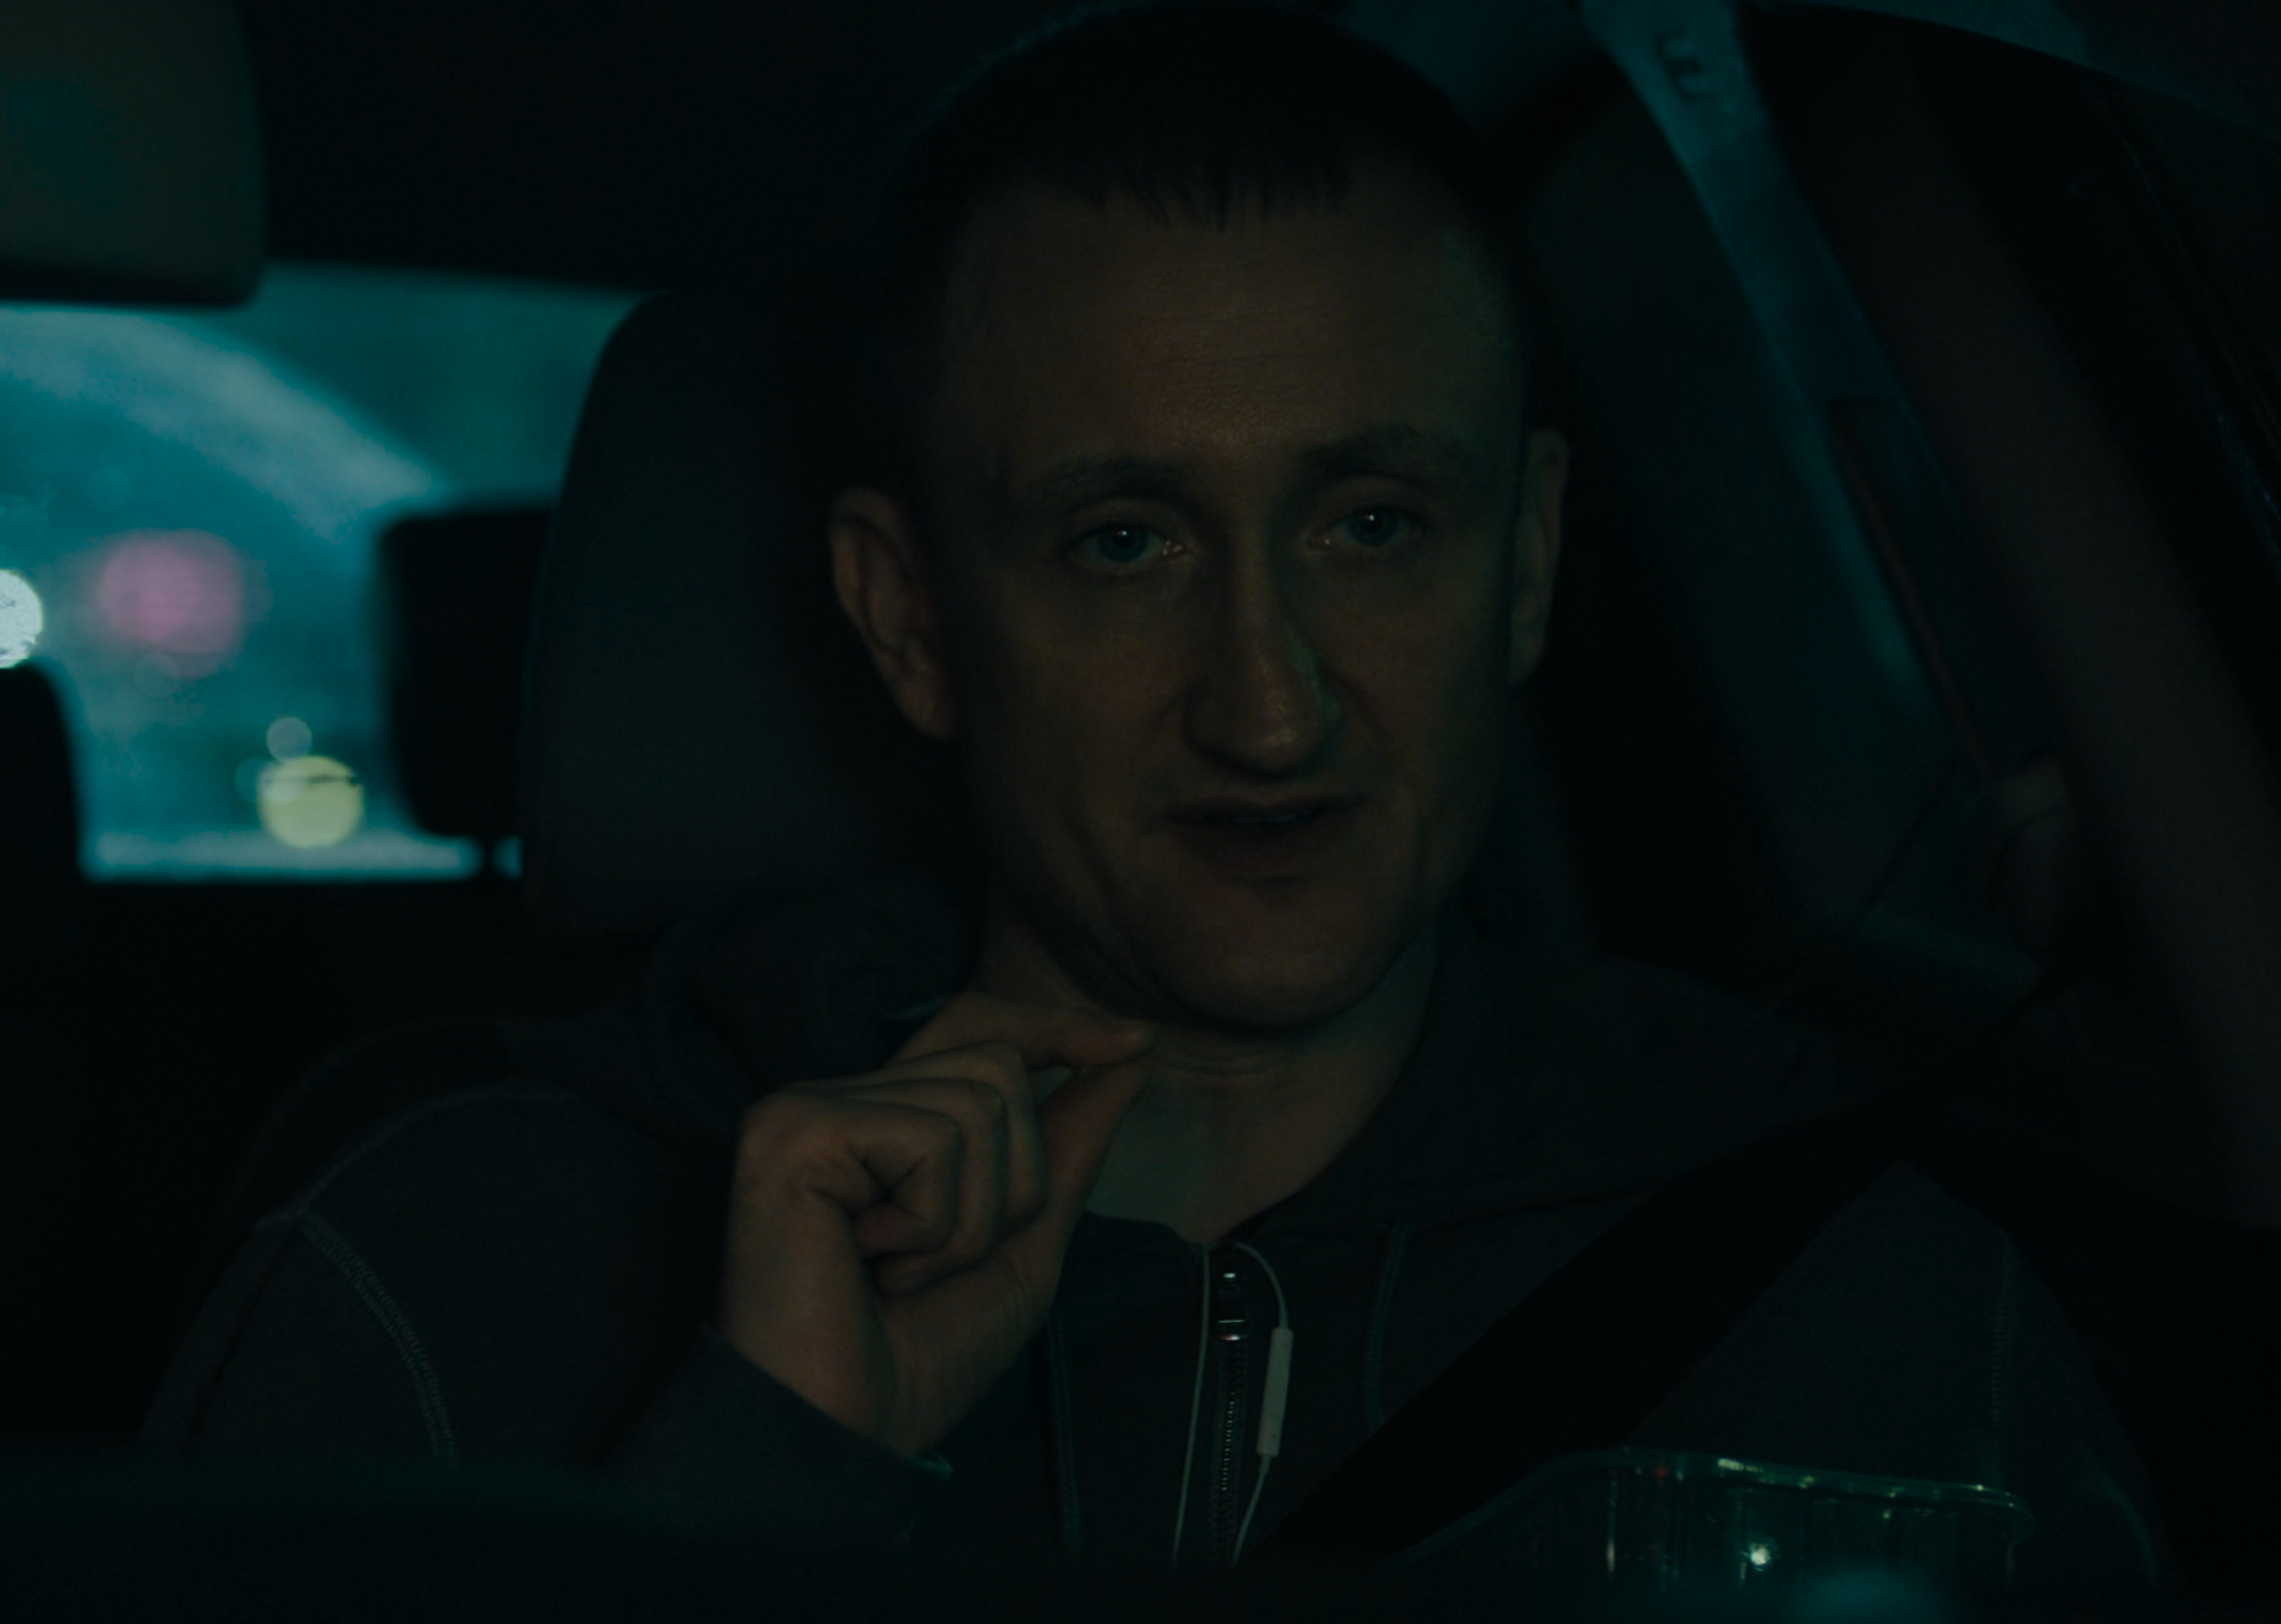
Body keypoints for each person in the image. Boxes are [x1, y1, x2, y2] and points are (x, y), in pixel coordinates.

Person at [146, 1, 2158, 1581]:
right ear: (911, 618)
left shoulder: (1881, 1305)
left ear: (1528, 563)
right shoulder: (440, 1276)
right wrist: (769, 1477)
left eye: (1373, 526)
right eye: (1124, 544)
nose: (1269, 709)